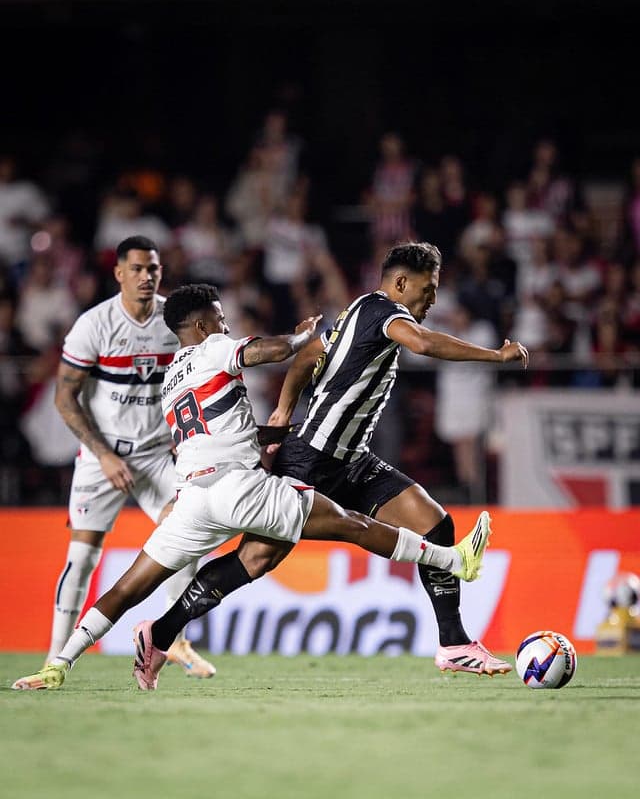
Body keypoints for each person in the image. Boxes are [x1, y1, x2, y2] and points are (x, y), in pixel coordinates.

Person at [12, 284, 491, 691]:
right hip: (239, 490)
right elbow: (265, 350)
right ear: (200, 325)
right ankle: (454, 559)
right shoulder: (214, 347)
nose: (225, 325)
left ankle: (59, 664)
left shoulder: (172, 378)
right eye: (219, 319)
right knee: (352, 524)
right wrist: (301, 337)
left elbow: (213, 429)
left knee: (126, 589)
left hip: (192, 501)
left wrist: (270, 433)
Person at [264, 242, 529, 675]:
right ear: (401, 283)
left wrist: (282, 409)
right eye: (428, 290)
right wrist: (494, 356)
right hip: (311, 459)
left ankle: (454, 644)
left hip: (352, 460)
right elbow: (422, 343)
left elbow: (312, 353)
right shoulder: (382, 310)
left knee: (436, 525)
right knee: (256, 561)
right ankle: (162, 630)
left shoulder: (357, 313)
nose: (434, 300)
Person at [42, 235, 215, 678]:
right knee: (82, 558)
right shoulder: (94, 325)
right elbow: (65, 398)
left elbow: (191, 380)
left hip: (158, 454)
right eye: (137, 269)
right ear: (118, 273)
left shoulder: (171, 322)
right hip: (105, 456)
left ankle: (173, 642)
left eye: (153, 269)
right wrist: (101, 455)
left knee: (188, 532)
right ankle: (54, 657)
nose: (146, 277)